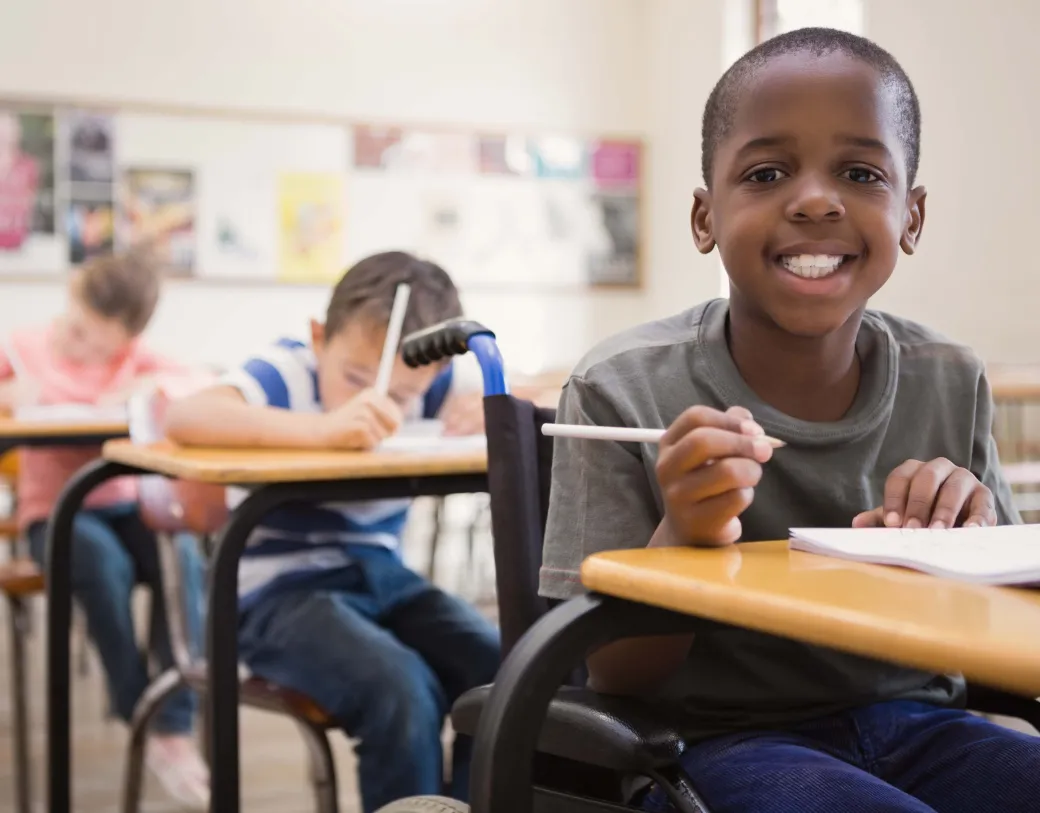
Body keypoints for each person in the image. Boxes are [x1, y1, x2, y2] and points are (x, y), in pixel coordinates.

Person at [540, 27, 1040, 813]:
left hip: (920, 720)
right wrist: (683, 535)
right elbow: (612, 672)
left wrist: (966, 539)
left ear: (910, 216)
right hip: (712, 743)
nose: (814, 199)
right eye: (767, 172)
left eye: (860, 172)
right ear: (705, 217)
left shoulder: (949, 377)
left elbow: (1010, 637)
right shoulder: (621, 387)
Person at [164, 251, 501, 813]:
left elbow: (547, 382)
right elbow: (185, 417)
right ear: (319, 337)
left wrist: (490, 403)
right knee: (400, 689)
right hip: (274, 596)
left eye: (399, 396)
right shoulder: (287, 372)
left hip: (385, 579)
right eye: (353, 378)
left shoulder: (437, 383)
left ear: (435, 372)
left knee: (500, 673)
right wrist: (319, 430)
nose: (372, 400)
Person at [0, 248, 210, 808]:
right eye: (73, 327)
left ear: (124, 340)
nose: (76, 344)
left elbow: (198, 381)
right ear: (69, 296)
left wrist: (136, 390)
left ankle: (173, 721)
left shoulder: (138, 361)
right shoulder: (22, 350)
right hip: (55, 515)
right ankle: (135, 704)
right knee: (100, 563)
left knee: (182, 556)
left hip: (126, 507)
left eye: (94, 341)